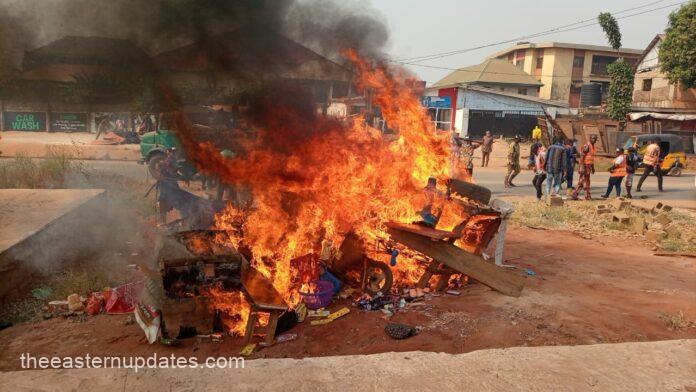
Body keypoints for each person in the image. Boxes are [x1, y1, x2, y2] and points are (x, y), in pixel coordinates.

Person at [571, 135, 598, 200]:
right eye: (593, 138)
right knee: (583, 181)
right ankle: (580, 195)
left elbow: (591, 158)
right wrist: (582, 166)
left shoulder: (592, 146)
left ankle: (581, 195)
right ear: (590, 138)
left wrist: (593, 168)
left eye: (595, 139)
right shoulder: (587, 146)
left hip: (588, 166)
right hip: (585, 165)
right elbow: (582, 156)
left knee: (586, 181)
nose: (594, 140)